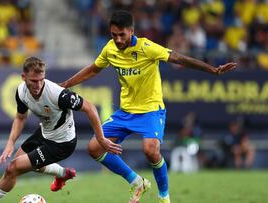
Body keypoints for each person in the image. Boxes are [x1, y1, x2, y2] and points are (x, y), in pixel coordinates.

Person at [60, 10, 237, 203]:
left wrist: (213, 70)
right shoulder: (110, 49)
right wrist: (66, 84)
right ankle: (137, 182)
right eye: (114, 35)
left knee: (150, 150)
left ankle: (164, 197)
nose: (118, 40)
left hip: (151, 110)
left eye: (122, 35)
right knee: (94, 148)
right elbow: (93, 69)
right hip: (125, 112)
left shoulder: (147, 47)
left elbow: (178, 58)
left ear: (131, 31)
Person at [0, 56, 121, 203]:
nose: (38, 85)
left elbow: (90, 108)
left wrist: (100, 139)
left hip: (62, 142)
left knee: (13, 168)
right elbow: (20, 117)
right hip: (44, 132)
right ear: (23, 78)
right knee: (26, 165)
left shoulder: (56, 94)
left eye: (41, 80)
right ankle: (64, 174)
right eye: (33, 80)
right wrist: (10, 142)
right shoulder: (21, 92)